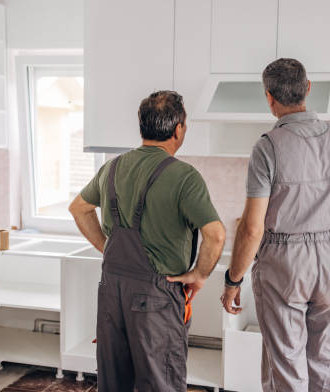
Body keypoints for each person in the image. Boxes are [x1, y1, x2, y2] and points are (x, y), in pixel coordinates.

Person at [220, 58, 330, 392]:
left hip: (285, 262)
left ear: (269, 98)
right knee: (327, 358)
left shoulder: (268, 147)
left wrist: (233, 279)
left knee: (286, 363)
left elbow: (252, 228)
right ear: (308, 89)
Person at [69, 90, 225, 392]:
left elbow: (79, 209)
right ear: (178, 129)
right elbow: (216, 235)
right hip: (156, 295)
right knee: (161, 383)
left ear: (142, 126)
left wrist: (106, 246)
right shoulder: (184, 176)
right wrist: (200, 275)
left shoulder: (111, 168)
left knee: (113, 382)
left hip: (111, 291)